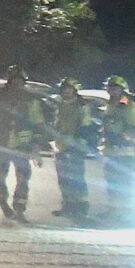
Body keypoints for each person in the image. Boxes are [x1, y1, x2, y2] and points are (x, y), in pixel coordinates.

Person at [0, 65, 43, 222]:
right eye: (14, 81)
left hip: (22, 145)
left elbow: (38, 123)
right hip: (1, 143)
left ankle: (19, 209)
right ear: (9, 81)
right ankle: (3, 203)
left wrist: (36, 146)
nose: (17, 84)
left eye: (19, 81)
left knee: (23, 179)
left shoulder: (31, 100)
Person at [97, 75, 135, 222]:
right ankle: (113, 211)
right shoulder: (110, 104)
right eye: (110, 87)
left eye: (115, 87)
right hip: (110, 150)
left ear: (122, 89)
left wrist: (122, 138)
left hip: (123, 152)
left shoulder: (128, 105)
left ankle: (125, 215)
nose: (112, 90)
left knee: (123, 183)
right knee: (111, 183)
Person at [50, 76, 93, 221]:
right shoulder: (60, 104)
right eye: (64, 90)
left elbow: (85, 127)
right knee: (63, 179)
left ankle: (81, 208)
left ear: (75, 91)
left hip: (75, 147)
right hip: (60, 147)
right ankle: (67, 206)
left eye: (69, 90)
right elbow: (57, 123)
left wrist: (76, 143)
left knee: (77, 179)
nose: (66, 92)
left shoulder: (82, 106)